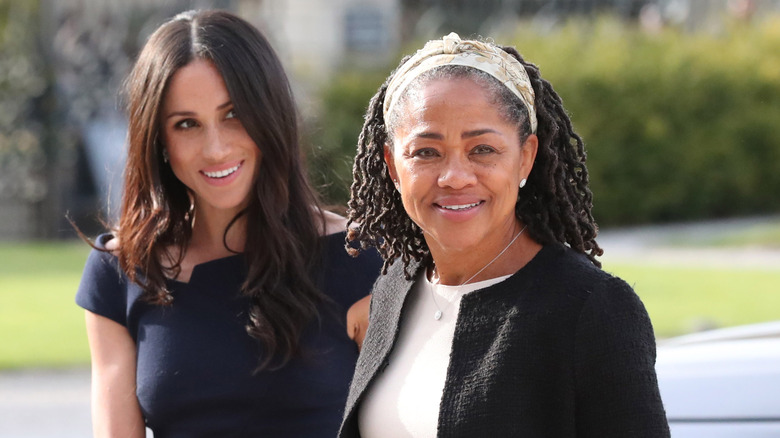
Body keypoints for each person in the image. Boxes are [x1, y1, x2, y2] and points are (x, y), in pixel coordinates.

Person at [340, 33, 670, 437]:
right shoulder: (394, 290)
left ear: (525, 157)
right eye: (426, 152)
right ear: (393, 166)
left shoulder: (591, 309)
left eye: (482, 150)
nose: (455, 177)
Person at [75, 10, 381, 437]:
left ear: (269, 113)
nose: (215, 148)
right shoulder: (121, 271)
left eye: (233, 114)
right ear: (159, 141)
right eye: (186, 124)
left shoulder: (361, 260)